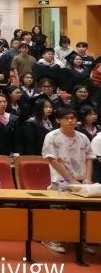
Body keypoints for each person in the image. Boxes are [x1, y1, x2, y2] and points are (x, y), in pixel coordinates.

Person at [40, 108, 92, 254]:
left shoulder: (83, 137)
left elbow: (89, 158)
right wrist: (70, 179)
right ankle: (51, 238)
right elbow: (52, 159)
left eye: (73, 118)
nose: (71, 121)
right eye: (66, 118)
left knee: (83, 212)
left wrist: (87, 178)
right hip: (60, 181)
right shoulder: (52, 136)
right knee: (58, 211)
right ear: (58, 120)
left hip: (81, 181)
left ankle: (80, 240)